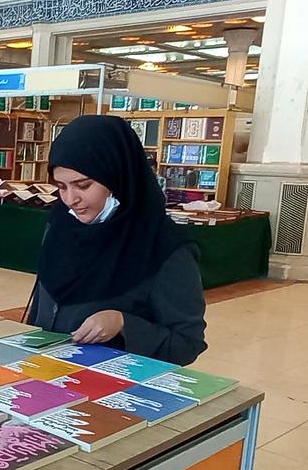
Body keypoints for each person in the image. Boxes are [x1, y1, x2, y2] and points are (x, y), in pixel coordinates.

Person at [28, 115, 206, 365]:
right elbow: (42, 309)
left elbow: (187, 343)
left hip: (115, 388)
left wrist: (124, 323)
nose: (70, 199)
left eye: (83, 185)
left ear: (116, 178)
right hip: (47, 375)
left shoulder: (165, 247)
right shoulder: (61, 226)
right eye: (61, 186)